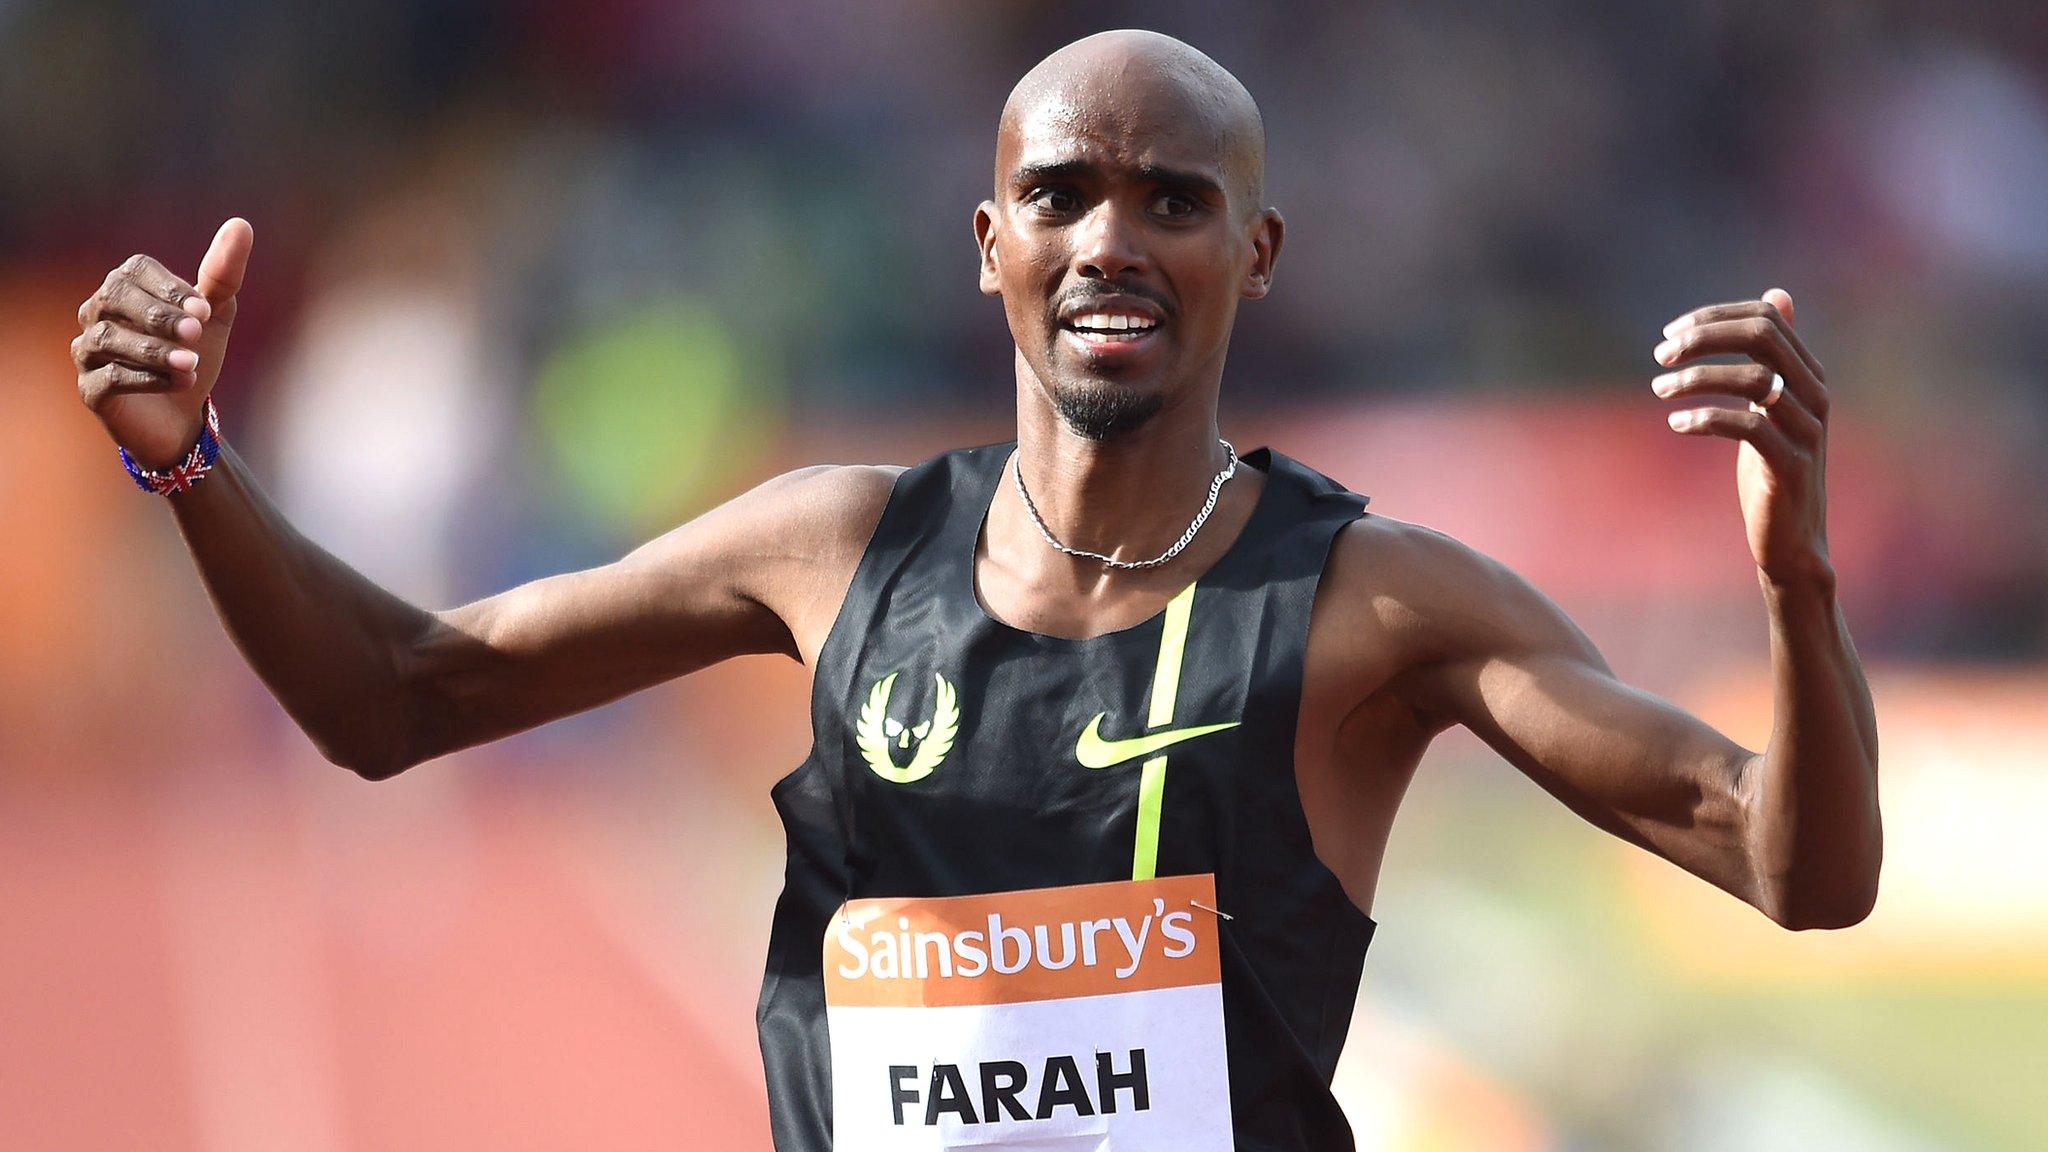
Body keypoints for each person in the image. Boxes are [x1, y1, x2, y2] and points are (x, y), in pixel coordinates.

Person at [71, 28, 1880, 1152]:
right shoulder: (836, 547)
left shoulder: (1375, 607)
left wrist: (1797, 583)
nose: (1112, 236)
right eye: (1065, 193)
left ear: (1253, 253)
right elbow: (399, 695)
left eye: (1172, 200)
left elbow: (1795, 866)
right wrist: (187, 465)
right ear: (991, 243)